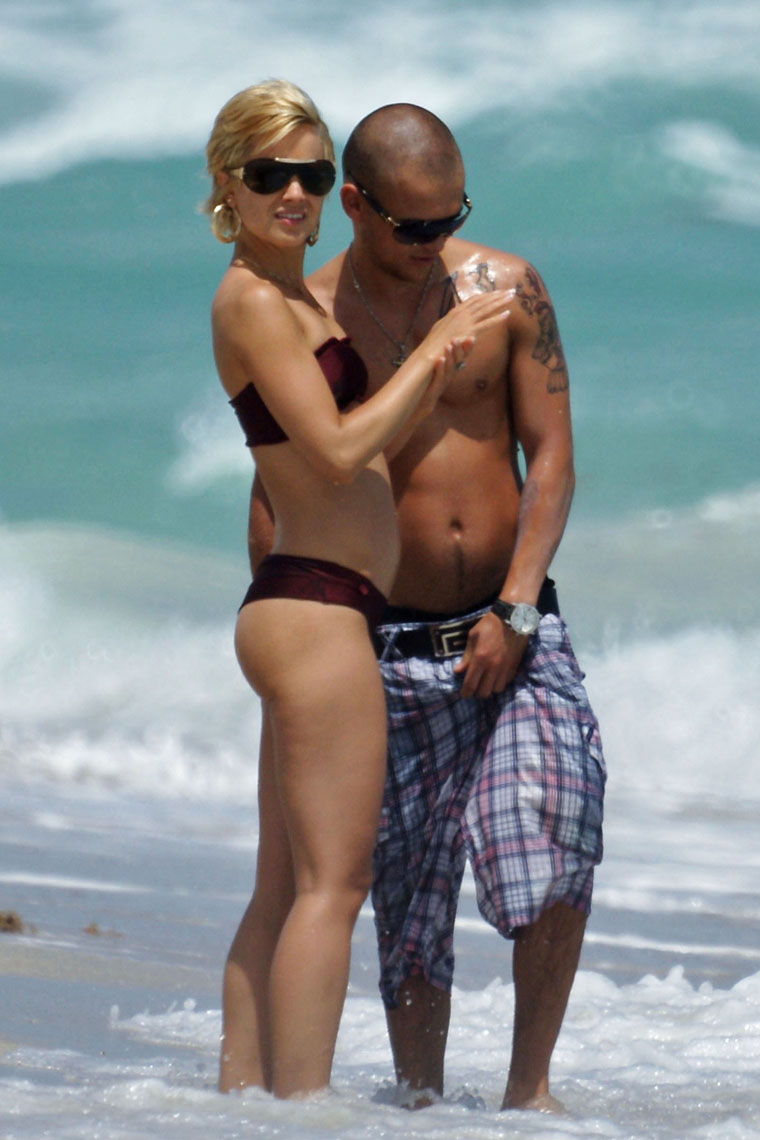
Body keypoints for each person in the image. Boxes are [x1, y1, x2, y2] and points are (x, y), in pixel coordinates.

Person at [249, 103, 606, 1112]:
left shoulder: (508, 290)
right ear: (356, 206)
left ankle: (529, 1094)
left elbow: (552, 457)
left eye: (451, 219)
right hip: (380, 646)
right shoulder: (312, 321)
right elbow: (278, 500)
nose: (434, 242)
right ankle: (418, 1108)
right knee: (407, 902)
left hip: (513, 622)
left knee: (557, 818)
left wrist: (518, 608)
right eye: (413, 226)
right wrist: (295, 665)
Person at [203, 82, 509, 1101]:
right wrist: (434, 354)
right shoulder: (253, 300)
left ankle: (242, 1104)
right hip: (316, 606)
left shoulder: (288, 297)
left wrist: (425, 363)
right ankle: (302, 1112)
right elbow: (336, 451)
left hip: (311, 603)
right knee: (335, 886)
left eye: (312, 174)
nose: (293, 193)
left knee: (284, 886)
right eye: (269, 175)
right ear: (228, 184)